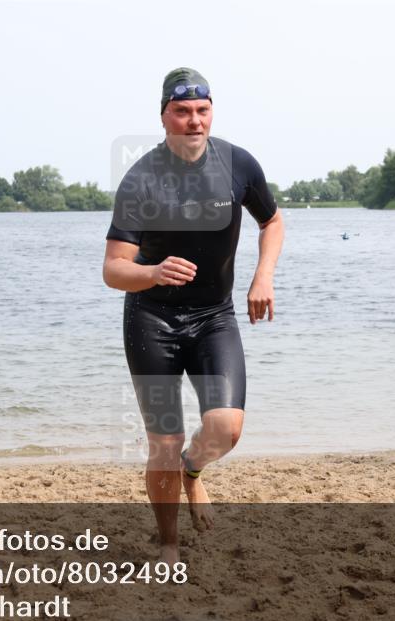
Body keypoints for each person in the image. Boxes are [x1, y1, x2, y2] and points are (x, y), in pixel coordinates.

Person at [103, 68, 284, 562]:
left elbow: (271, 221)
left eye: (202, 110)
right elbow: (114, 269)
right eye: (182, 112)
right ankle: (168, 543)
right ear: (164, 116)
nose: (194, 121)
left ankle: (193, 471)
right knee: (165, 442)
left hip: (214, 318)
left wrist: (263, 276)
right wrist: (154, 271)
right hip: (152, 321)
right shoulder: (141, 180)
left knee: (226, 428)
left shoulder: (237, 164)